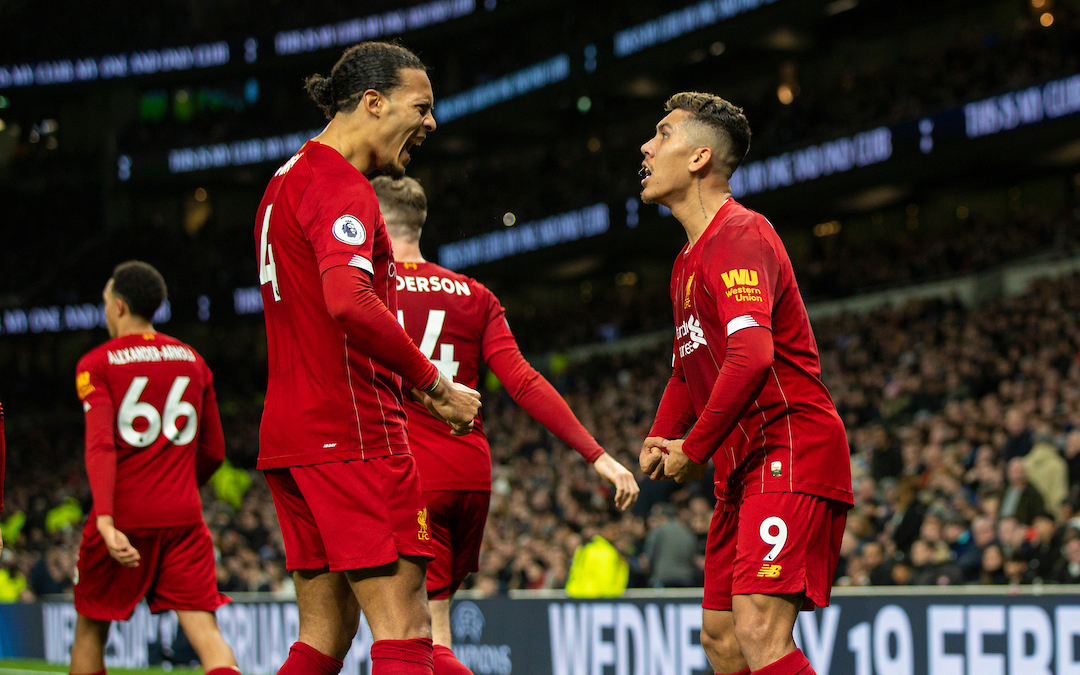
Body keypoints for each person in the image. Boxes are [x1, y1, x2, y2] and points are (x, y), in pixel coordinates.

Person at [254, 42, 482, 675]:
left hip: (291, 435)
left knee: (324, 634)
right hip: (352, 431)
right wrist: (435, 384)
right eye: (422, 106)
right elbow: (348, 299)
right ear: (374, 102)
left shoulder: (283, 181)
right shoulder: (340, 184)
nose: (432, 123)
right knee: (407, 630)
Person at [372, 175, 638, 675]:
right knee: (435, 633)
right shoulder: (474, 294)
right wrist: (596, 454)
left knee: (399, 637)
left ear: (376, 224)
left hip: (409, 470)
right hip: (470, 472)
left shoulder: (370, 293)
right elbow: (523, 381)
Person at [637, 92, 853, 675]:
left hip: (789, 445)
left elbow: (752, 355)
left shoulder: (740, 233)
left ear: (700, 157)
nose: (646, 147)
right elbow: (687, 367)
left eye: (662, 134)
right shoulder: (687, 260)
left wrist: (696, 447)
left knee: (759, 625)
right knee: (723, 638)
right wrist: (663, 436)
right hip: (743, 462)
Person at [71, 261, 237, 675]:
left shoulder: (97, 362)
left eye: (106, 301)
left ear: (120, 306)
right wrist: (179, 485)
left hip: (123, 516)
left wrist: (106, 520)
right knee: (206, 632)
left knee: (92, 630)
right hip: (183, 517)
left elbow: (101, 443)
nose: (105, 309)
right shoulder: (193, 360)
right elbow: (214, 451)